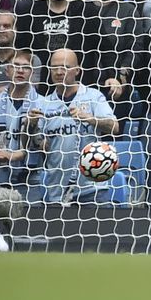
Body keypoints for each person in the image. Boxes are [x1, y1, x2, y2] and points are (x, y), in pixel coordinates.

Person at [27, 48, 118, 204]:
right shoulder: (43, 103)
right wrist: (31, 126)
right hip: (57, 190)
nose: (59, 71)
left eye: (65, 67)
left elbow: (115, 127)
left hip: (92, 188)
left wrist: (90, 119)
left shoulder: (93, 96)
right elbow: (35, 144)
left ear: (77, 70)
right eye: (54, 67)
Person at [0, 49, 43, 202]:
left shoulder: (44, 104)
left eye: (26, 67)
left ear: (32, 72)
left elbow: (47, 146)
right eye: (15, 65)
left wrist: (32, 129)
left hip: (29, 179)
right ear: (7, 71)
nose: (20, 70)